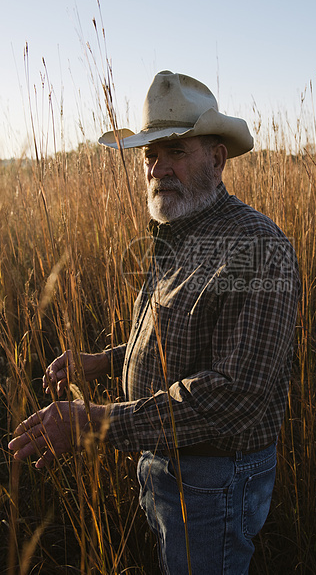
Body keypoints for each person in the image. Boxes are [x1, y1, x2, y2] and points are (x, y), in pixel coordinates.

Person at [9, 71, 300, 574]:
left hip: (213, 481)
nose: (158, 168)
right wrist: (104, 360)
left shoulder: (256, 247)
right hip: (170, 467)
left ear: (216, 158)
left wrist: (94, 422)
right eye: (149, 155)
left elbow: (234, 395)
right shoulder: (179, 230)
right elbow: (179, 338)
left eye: (175, 151)